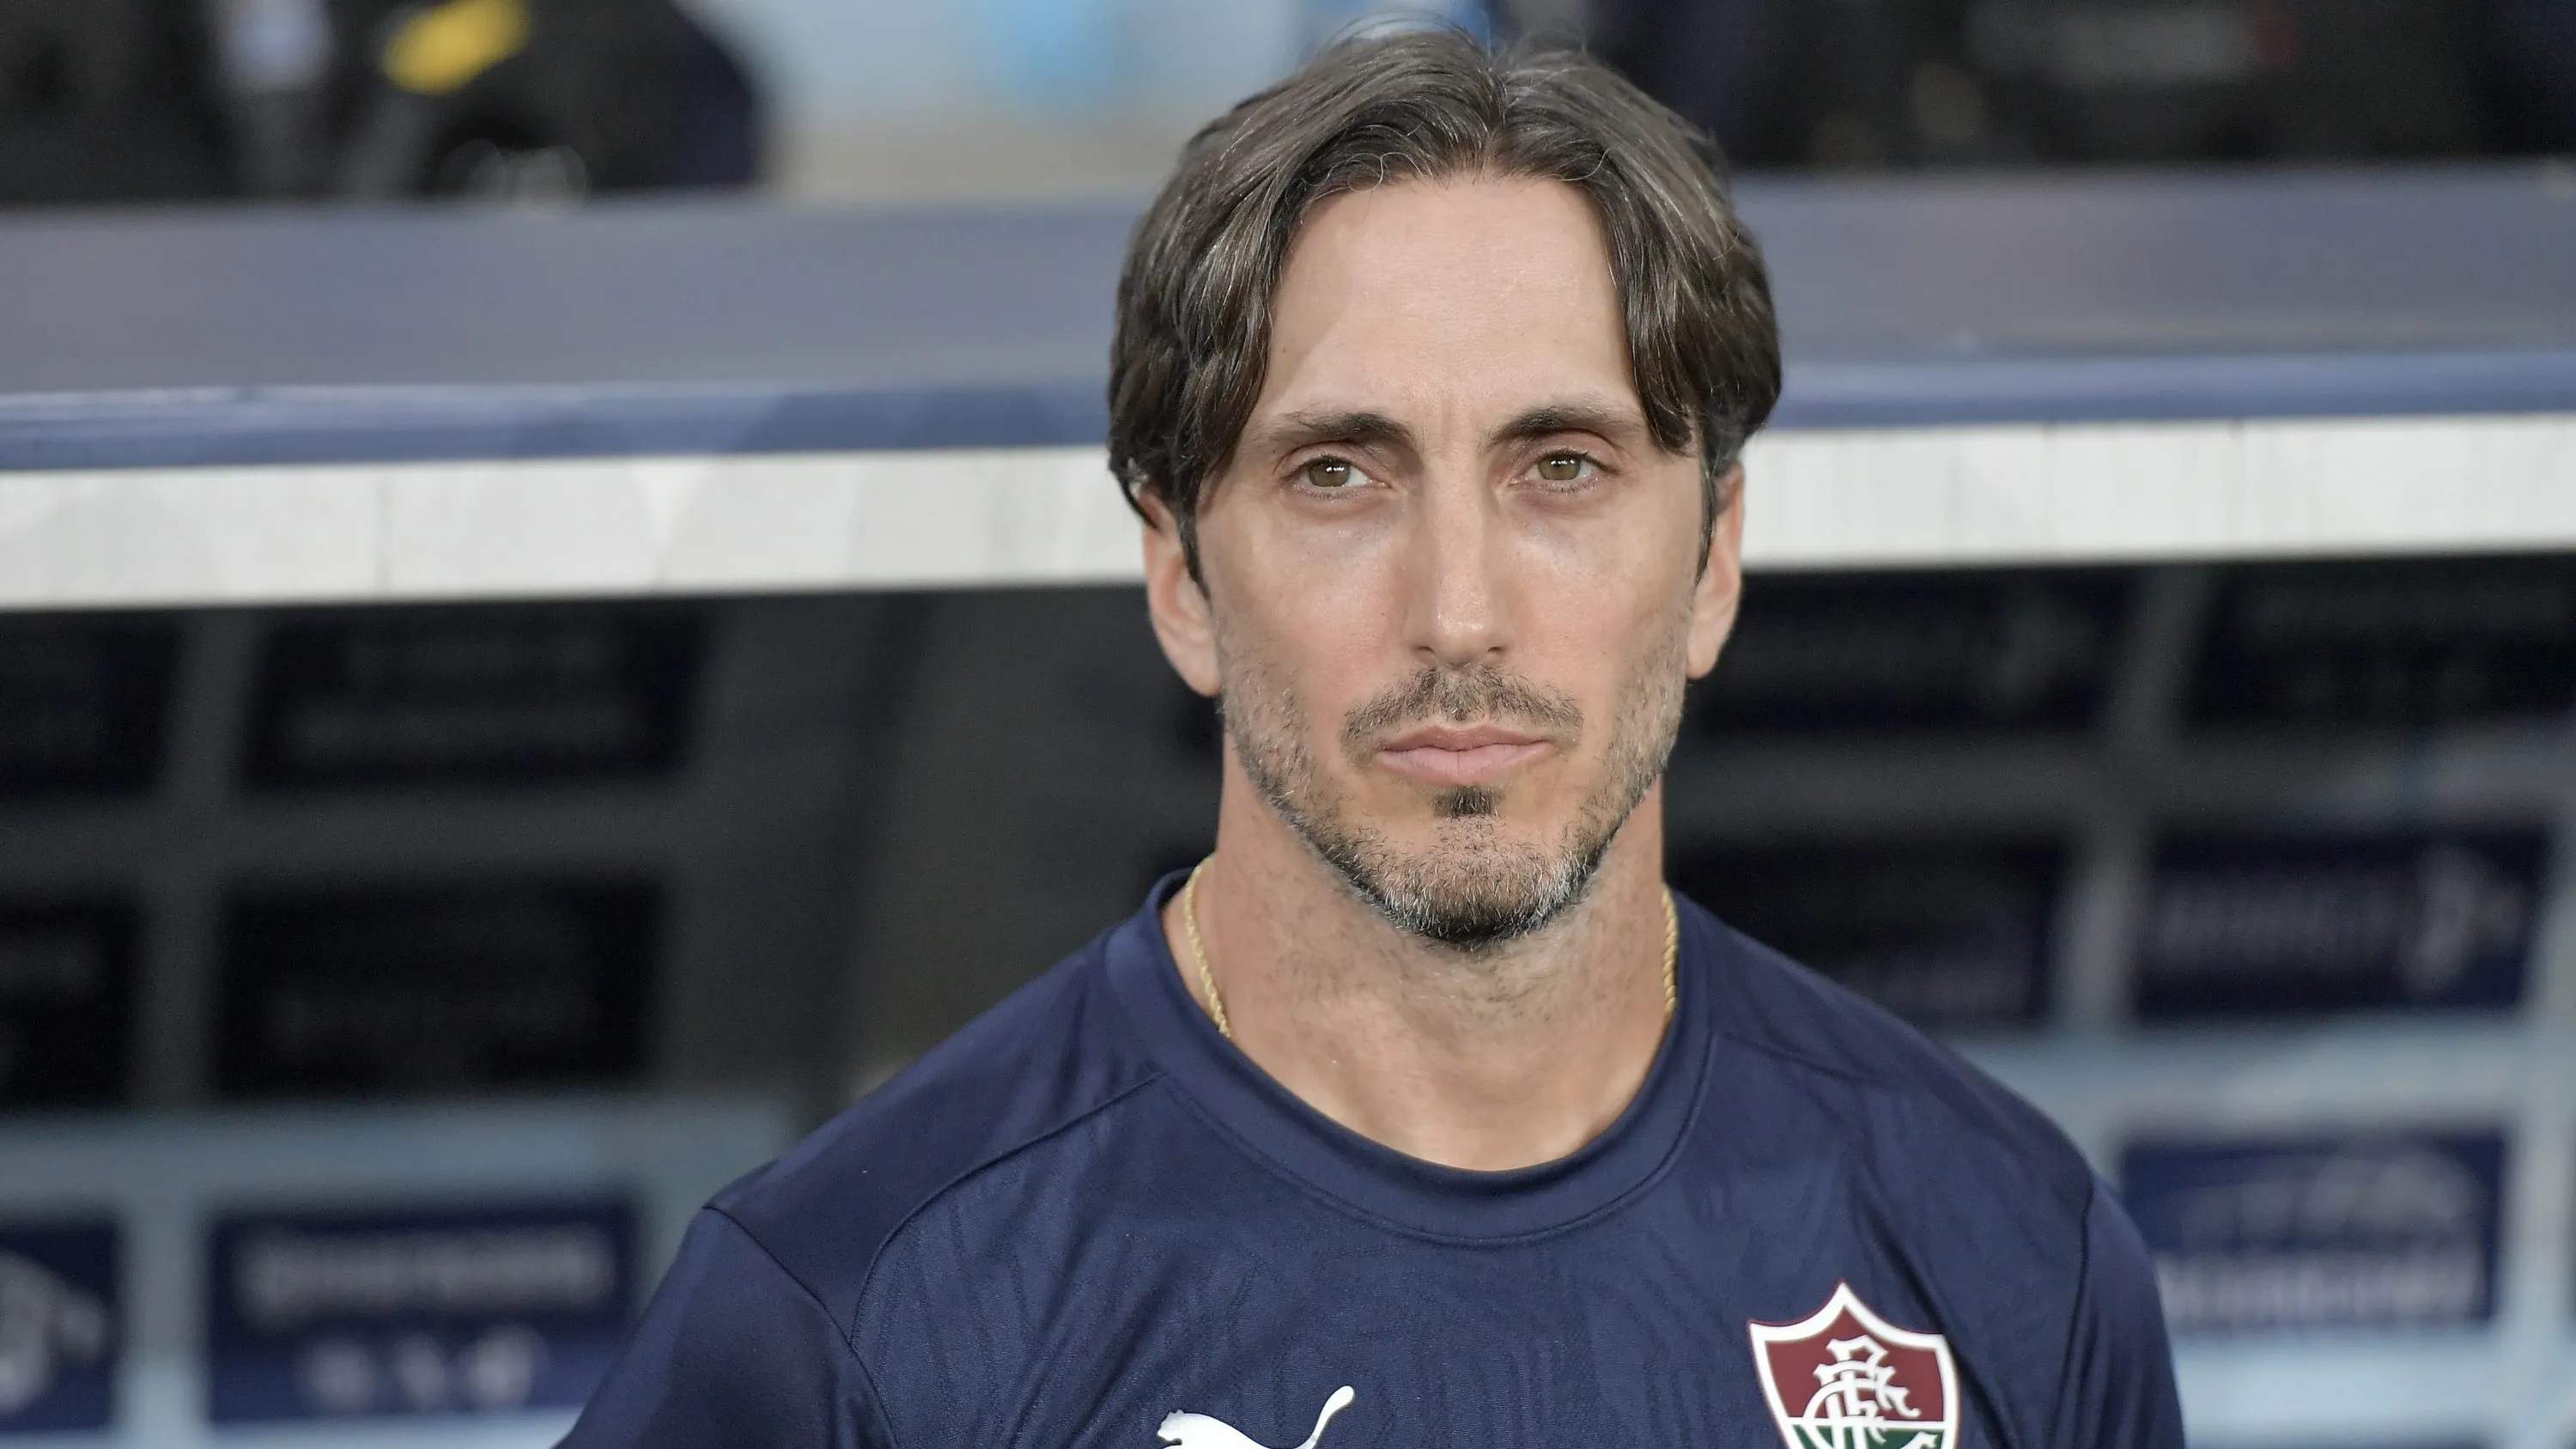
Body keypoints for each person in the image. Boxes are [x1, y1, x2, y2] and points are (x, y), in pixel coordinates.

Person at [560, 27, 2184, 1448]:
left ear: (1715, 561)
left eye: (1563, 468)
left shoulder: (2006, 1248)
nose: (1459, 612)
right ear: (1183, 575)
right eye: (1341, 473)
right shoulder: (851, 1313)